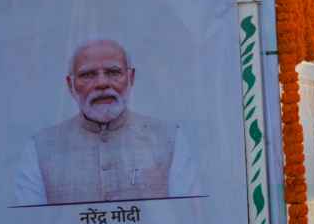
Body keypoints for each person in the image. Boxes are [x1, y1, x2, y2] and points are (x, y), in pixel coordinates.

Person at [15, 39, 197, 206]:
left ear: (131, 78)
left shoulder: (169, 139)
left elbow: (187, 220)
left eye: (113, 72)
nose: (102, 83)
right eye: (88, 75)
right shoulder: (40, 148)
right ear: (70, 84)